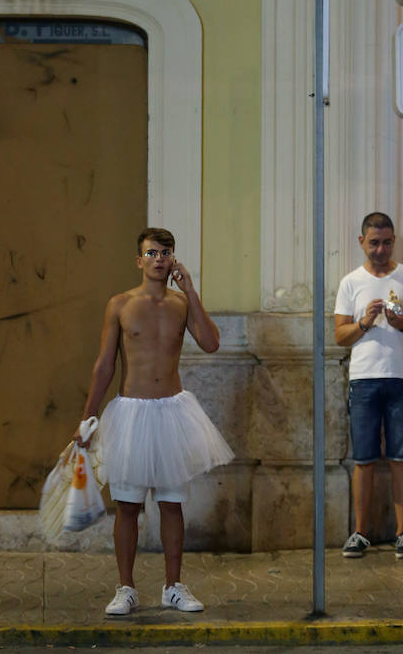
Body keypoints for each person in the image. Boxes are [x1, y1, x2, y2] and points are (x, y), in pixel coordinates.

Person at [74, 227, 234, 615]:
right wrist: (87, 418)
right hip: (131, 412)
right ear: (139, 260)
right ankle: (125, 588)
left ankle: (173, 586)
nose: (159, 259)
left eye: (165, 253)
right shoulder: (120, 304)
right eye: (151, 253)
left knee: (172, 504)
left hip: (171, 412)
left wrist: (192, 291)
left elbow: (211, 343)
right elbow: (104, 366)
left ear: (173, 258)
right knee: (127, 505)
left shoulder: (181, 304)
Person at [334, 212, 403, 560]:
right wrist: (364, 322)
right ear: (361, 241)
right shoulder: (350, 282)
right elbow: (340, 335)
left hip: (402, 378)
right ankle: (360, 532)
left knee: (401, 458)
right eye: (374, 242)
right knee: (362, 459)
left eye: (387, 242)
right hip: (363, 380)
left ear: (394, 242)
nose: (380, 249)